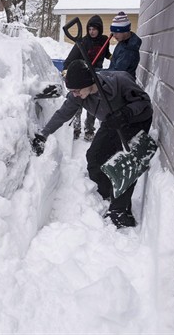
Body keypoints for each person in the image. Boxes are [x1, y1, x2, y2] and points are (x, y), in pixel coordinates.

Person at [30, 59, 153, 228]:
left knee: (127, 162)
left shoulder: (120, 81)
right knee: (94, 156)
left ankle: (119, 211)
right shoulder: (78, 96)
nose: (75, 94)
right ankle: (106, 190)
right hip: (111, 121)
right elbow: (62, 114)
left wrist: (125, 113)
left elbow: (145, 102)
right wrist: (43, 135)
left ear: (90, 83)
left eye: (77, 90)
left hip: (136, 120)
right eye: (71, 91)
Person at [61, 15, 111, 141]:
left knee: (94, 105)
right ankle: (76, 128)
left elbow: (106, 53)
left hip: (96, 77)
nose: (91, 32)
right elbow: (70, 59)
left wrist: (113, 58)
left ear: (99, 29)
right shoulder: (83, 42)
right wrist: (66, 70)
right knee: (78, 102)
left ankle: (89, 130)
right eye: (89, 29)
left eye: (94, 29)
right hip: (83, 77)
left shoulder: (104, 40)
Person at [107, 11, 142, 78]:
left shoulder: (129, 50)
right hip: (118, 82)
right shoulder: (123, 42)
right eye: (113, 33)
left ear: (125, 31)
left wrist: (97, 71)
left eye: (116, 33)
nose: (114, 36)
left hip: (122, 85)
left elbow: (116, 72)